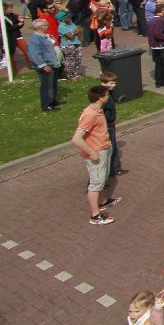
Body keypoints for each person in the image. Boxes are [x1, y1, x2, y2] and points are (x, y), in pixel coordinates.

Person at [70, 84, 121, 225]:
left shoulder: (97, 110)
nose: (109, 96)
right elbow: (76, 139)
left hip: (104, 148)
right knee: (96, 183)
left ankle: (103, 201)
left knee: (102, 178)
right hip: (97, 152)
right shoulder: (90, 114)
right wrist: (92, 152)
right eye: (107, 95)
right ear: (100, 98)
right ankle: (95, 215)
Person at [26, 18, 62, 112]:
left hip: (53, 64)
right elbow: (34, 54)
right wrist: (43, 65)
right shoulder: (35, 40)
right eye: (46, 25)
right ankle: (47, 105)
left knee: (53, 84)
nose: (48, 26)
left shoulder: (45, 37)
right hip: (46, 66)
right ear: (41, 27)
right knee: (47, 86)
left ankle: (53, 100)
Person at [100, 71, 127, 176]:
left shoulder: (108, 92)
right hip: (107, 126)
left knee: (113, 147)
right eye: (111, 83)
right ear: (103, 83)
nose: (114, 85)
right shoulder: (103, 96)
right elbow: (100, 112)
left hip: (110, 124)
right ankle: (110, 171)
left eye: (114, 83)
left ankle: (114, 169)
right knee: (109, 148)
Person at [57, 10, 83, 80]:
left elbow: (78, 30)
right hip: (67, 45)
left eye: (68, 17)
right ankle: (70, 76)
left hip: (76, 43)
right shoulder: (61, 26)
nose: (69, 19)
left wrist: (75, 33)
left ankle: (75, 74)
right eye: (67, 18)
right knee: (70, 61)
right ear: (62, 20)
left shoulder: (71, 24)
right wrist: (75, 32)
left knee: (79, 59)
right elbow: (70, 36)